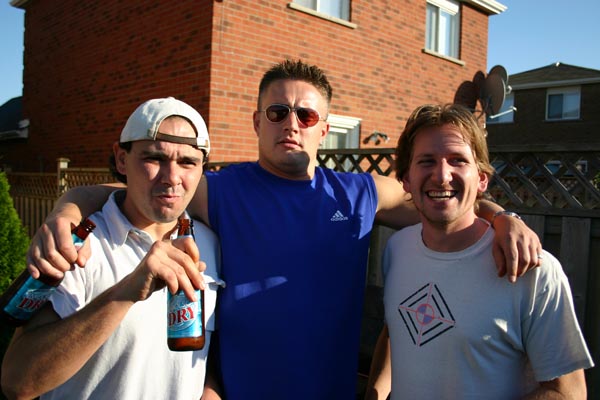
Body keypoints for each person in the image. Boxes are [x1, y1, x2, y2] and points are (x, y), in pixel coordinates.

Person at [25, 61, 541, 400]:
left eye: (306, 114)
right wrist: (66, 211)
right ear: (257, 122)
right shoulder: (220, 190)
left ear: (324, 127)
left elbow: (442, 196)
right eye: (277, 111)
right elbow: (130, 190)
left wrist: (503, 217)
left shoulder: (359, 193)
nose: (291, 122)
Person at [366, 104, 594, 399]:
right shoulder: (397, 249)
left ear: (482, 178)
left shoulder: (533, 270)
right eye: (426, 161)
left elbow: (568, 393)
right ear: (406, 179)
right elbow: (397, 330)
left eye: (458, 160)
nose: (442, 176)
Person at [1, 97, 222, 399]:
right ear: (121, 159)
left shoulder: (211, 243)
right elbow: (17, 381)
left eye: (187, 162)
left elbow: (200, 355)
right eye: (154, 158)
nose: (172, 177)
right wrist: (125, 292)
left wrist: (210, 388)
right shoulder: (77, 245)